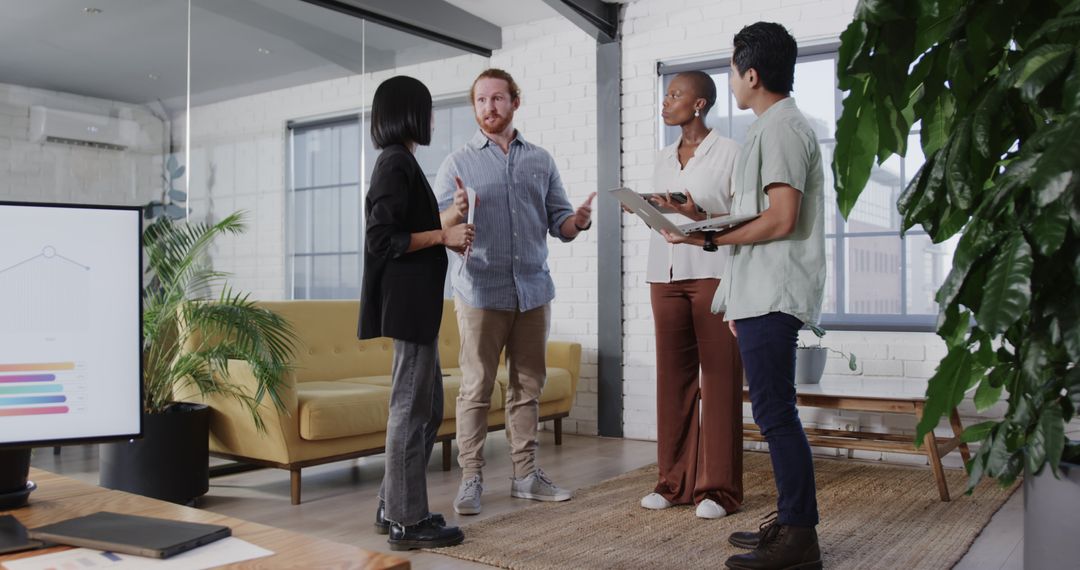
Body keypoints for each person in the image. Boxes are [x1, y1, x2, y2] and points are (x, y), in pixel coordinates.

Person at [662, 22, 825, 570]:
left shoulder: (779, 129)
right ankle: (791, 521)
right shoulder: (771, 127)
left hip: (775, 291)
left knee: (777, 415)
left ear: (751, 75)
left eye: (733, 70)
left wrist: (706, 236)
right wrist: (703, 228)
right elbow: (758, 217)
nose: (731, 79)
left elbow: (781, 219)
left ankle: (801, 539)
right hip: (759, 290)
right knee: (777, 414)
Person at [434, 68, 596, 516]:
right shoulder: (458, 163)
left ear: (514, 103)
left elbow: (559, 223)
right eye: (482, 100)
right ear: (475, 107)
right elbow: (438, 226)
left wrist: (578, 221)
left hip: (532, 293)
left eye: (498, 98)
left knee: (528, 387)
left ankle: (525, 476)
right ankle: (471, 479)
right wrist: (455, 211)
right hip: (480, 292)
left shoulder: (540, 161)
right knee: (476, 387)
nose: (490, 107)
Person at [358, 75, 473, 551]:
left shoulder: (402, 162)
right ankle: (407, 519)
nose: (430, 120)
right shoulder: (394, 164)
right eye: (425, 111)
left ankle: (393, 504)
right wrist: (443, 236)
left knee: (427, 407)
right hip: (407, 306)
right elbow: (382, 239)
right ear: (407, 112)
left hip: (417, 305)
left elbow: (409, 228)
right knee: (411, 410)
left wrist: (448, 217)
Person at [634, 71, 744, 520]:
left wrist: (698, 213)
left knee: (718, 381)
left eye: (675, 94)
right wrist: (647, 208)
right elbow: (667, 221)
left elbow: (743, 220)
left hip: (712, 274)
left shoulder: (733, 152)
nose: (666, 102)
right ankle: (673, 482)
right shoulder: (664, 157)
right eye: (665, 94)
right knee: (673, 380)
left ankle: (718, 491)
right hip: (665, 274)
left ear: (699, 104)